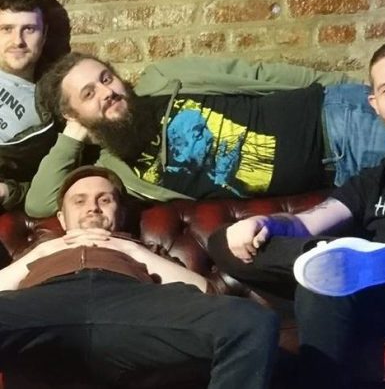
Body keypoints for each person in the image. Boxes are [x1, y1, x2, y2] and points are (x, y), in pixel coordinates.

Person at [208, 40, 385, 388]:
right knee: (225, 242)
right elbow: (305, 222)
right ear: (375, 104)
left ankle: (341, 264)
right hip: (379, 293)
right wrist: (264, 222)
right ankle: (330, 259)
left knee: (332, 280)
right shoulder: (373, 181)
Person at [0, 164, 278, 388]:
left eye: (104, 199)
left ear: (120, 212)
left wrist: (128, 248)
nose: (92, 207)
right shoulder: (40, 249)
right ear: (61, 218)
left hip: (131, 305)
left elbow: (206, 291)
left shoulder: (145, 249)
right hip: (47, 305)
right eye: (79, 201)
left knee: (251, 321)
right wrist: (46, 250)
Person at [25, 52, 385, 217]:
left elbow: (256, 74)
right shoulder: (117, 173)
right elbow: (39, 204)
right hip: (337, 176)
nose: (107, 92)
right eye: (88, 94)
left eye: (106, 78)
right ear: (73, 114)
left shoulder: (163, 78)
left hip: (338, 121)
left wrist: (348, 86)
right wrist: (74, 133)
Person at [0, 0, 66, 211]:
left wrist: (8, 192)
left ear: (44, 35)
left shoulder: (53, 106)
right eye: (6, 29)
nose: (18, 41)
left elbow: (47, 187)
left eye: (29, 29)